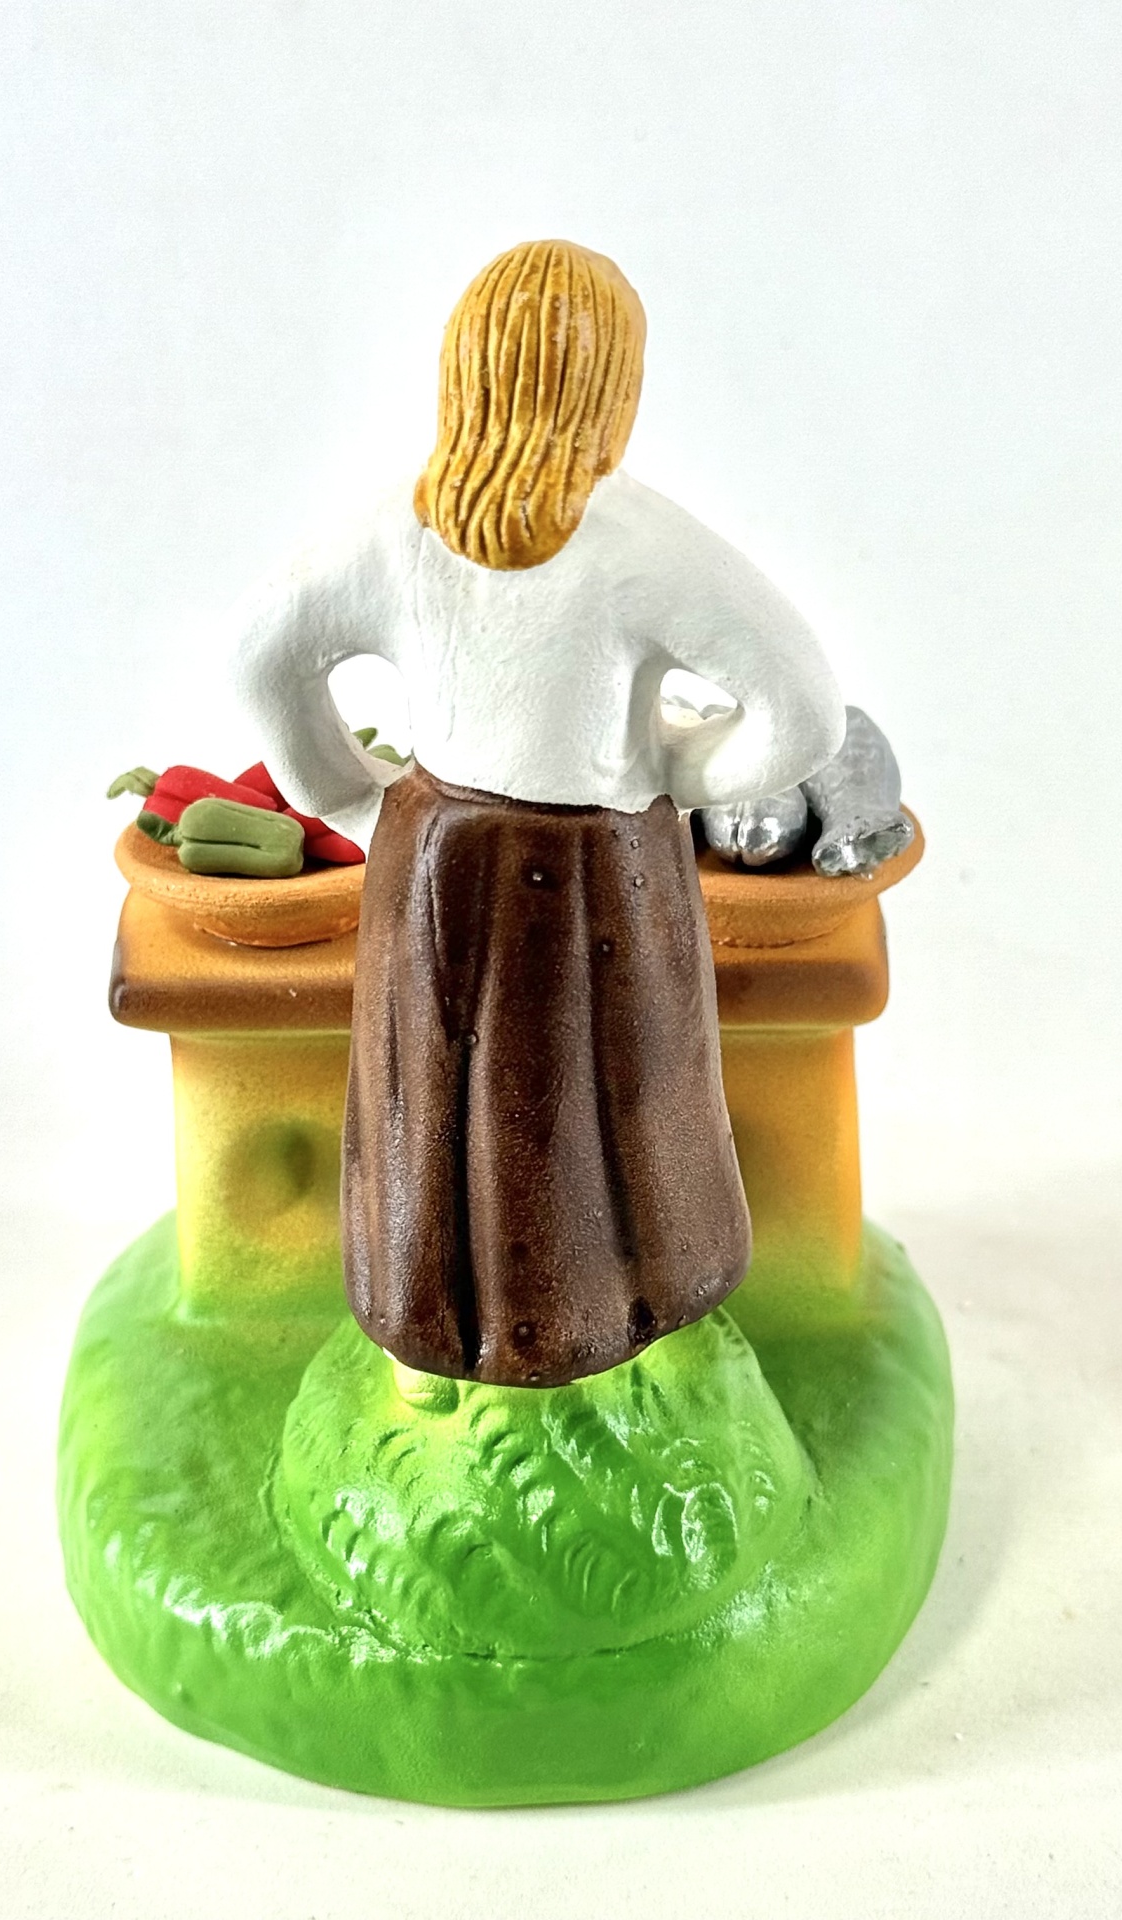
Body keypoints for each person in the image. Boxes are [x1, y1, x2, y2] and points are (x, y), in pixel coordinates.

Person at [236, 239, 843, 1387]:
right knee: (599, 1097)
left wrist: (346, 798)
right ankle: (603, 1311)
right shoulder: (639, 544)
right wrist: (679, 771)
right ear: (614, 384)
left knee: (441, 1095)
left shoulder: (398, 528)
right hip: (601, 863)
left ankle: (434, 1315)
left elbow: (261, 652)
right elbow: (800, 713)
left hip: (433, 853)